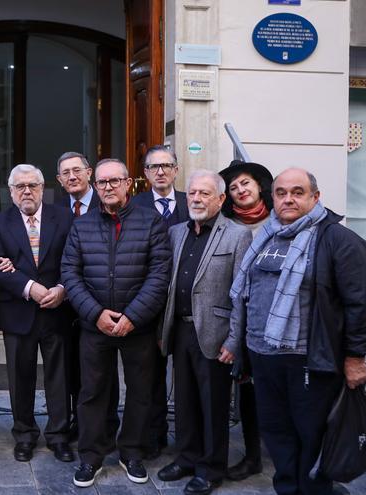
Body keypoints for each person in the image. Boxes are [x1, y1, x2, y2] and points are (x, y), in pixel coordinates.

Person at [229, 168, 366, 495]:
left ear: (315, 197)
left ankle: (314, 491)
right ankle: (287, 488)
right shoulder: (266, 235)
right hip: (264, 356)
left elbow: (361, 303)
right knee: (276, 432)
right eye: (281, 193)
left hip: (309, 359)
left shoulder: (337, 239)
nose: (288, 199)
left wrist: (356, 357)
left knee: (311, 436)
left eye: (298, 192)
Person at [61, 158, 170, 487]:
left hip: (137, 326)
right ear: (95, 186)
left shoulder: (151, 222)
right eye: (102, 183)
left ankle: (131, 452)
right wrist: (95, 313)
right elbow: (70, 273)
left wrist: (133, 316)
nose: (108, 187)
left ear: (128, 184)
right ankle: (91, 457)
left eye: (114, 181)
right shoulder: (81, 226)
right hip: (95, 326)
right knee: (92, 392)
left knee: (140, 392)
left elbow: (159, 274)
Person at [156, 170, 252, 495]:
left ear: (221, 199)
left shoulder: (237, 235)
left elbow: (241, 293)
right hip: (180, 329)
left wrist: (234, 340)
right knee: (183, 401)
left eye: (205, 194)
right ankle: (186, 458)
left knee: (213, 405)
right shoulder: (176, 232)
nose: (196, 198)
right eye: (193, 193)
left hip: (216, 333)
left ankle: (210, 469)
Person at [0, 164, 73, 463]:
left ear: (42, 189)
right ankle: (24, 435)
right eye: (20, 186)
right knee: (19, 378)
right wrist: (30, 287)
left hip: (57, 310)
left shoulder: (62, 217)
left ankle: (59, 435)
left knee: (58, 378)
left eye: (32, 185)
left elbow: (73, 258)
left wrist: (62, 288)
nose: (27, 191)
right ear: (10, 192)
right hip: (18, 312)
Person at [129, 144, 189, 457]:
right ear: (146, 174)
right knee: (150, 376)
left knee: (187, 375)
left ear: (176, 170)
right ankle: (153, 436)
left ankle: (189, 440)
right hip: (149, 303)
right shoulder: (135, 205)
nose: (161, 172)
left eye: (166, 165)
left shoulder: (190, 202)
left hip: (185, 304)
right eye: (154, 167)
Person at [217, 160, 274, 481]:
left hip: (280, 322)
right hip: (243, 320)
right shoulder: (227, 225)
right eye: (234, 187)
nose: (240, 190)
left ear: (258, 186)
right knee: (248, 392)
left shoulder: (281, 219)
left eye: (245, 183)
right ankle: (253, 455)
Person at [54, 151, 111, 441]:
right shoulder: (53, 210)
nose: (72, 176)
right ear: (59, 180)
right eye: (66, 173)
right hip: (66, 305)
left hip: (102, 302)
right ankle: (78, 422)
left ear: (89, 173)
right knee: (72, 369)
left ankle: (106, 426)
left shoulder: (108, 203)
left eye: (77, 170)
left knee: (103, 373)